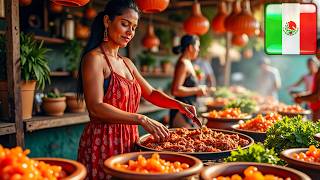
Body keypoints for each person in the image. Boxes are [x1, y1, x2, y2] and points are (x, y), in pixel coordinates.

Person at [76, 1, 199, 179]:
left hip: (130, 141)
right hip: (103, 143)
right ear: (107, 21)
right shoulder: (94, 59)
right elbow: (95, 108)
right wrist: (141, 118)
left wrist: (179, 105)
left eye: (133, 27)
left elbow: (150, 93)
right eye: (124, 24)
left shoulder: (127, 63)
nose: (130, 32)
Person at [169, 35, 212, 128]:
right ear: (190, 47)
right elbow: (175, 90)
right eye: (198, 46)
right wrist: (197, 90)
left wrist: (198, 90)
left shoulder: (188, 63)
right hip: (181, 112)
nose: (198, 49)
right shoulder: (183, 63)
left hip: (188, 109)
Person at [294, 56, 320, 122]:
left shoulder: (317, 74)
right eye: (308, 64)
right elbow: (314, 92)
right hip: (312, 107)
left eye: (311, 64)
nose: (310, 66)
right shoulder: (310, 75)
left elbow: (317, 96)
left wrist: (301, 98)